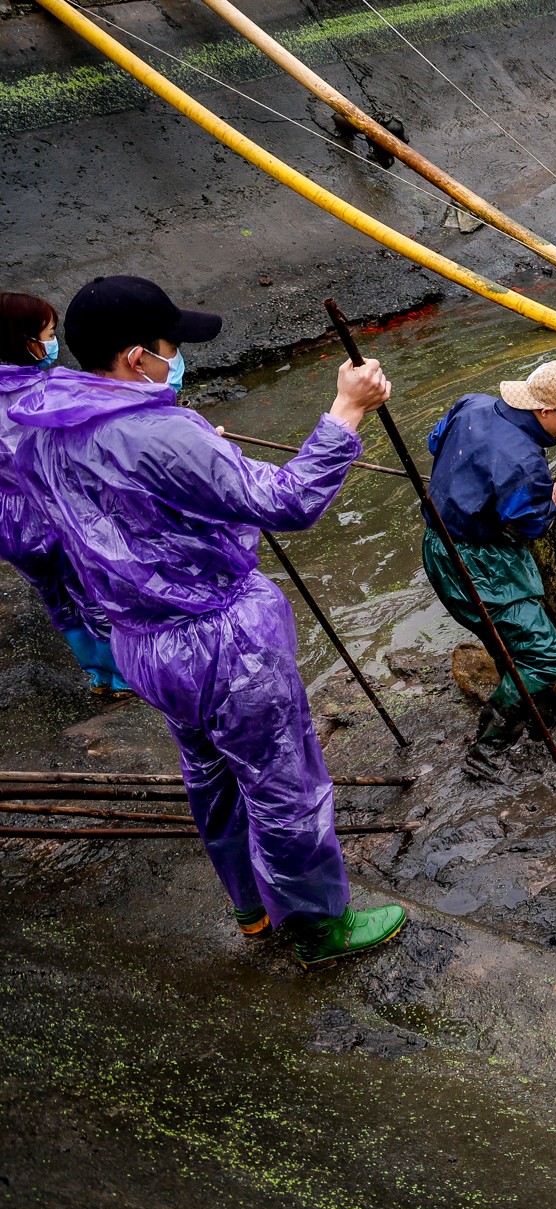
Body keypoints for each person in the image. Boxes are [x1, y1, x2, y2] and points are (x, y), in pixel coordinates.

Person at [7, 275, 405, 967]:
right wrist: (346, 411)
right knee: (282, 781)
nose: (175, 358)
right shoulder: (161, 430)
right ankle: (317, 927)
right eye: (169, 347)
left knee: (208, 770)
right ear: (137, 358)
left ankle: (250, 905)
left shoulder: (41, 424)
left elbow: (77, 522)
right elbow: (286, 501)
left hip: (140, 641)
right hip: (222, 641)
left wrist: (195, 462)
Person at [421, 360, 556, 777]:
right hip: (479, 563)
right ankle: (488, 749)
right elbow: (532, 524)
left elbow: (433, 443)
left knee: (504, 638)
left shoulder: (471, 403)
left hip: (436, 543)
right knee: (548, 656)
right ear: (544, 411)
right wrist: (551, 498)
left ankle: (526, 705)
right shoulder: (524, 463)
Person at [0, 292, 131, 697]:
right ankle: (123, 675)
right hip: (54, 508)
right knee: (94, 586)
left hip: (8, 518)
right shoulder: (48, 392)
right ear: (27, 341)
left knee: (54, 594)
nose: (54, 341)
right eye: (50, 333)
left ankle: (95, 674)